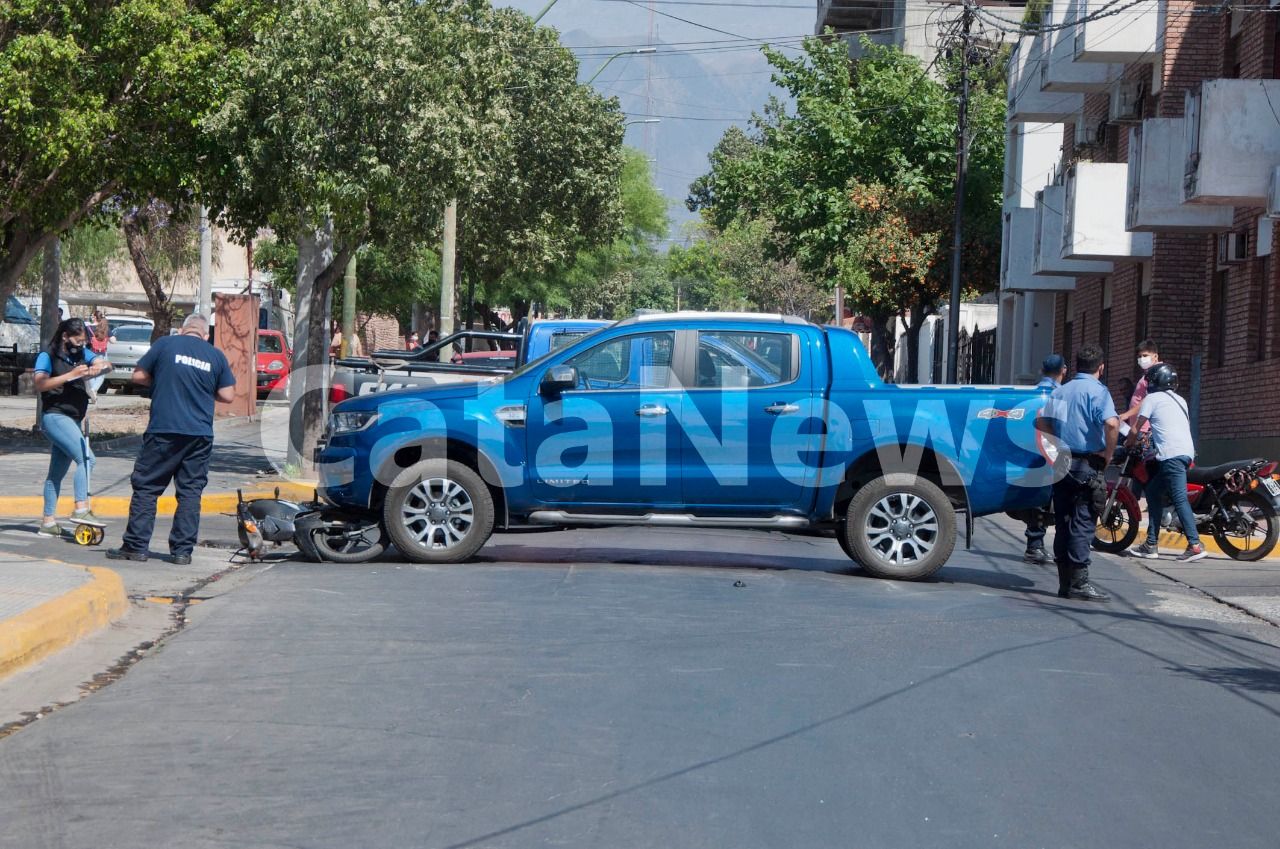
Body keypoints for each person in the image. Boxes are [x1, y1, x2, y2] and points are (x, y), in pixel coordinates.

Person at [107, 314, 235, 564]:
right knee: (190, 492)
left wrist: (163, 380)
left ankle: (135, 546)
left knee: (147, 487)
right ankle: (182, 552)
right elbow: (228, 395)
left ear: (182, 329)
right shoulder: (215, 355)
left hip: (164, 430)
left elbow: (138, 376)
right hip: (199, 434)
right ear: (204, 334)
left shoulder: (165, 344)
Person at [1036, 344, 1119, 601]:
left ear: (1075, 366)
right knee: (1083, 522)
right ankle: (1080, 582)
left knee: (1063, 521)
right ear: (1101, 368)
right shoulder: (1098, 392)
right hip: (1087, 463)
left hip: (1062, 461)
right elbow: (1112, 423)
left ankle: (1064, 582)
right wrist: (1108, 454)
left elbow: (1041, 421)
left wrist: (1054, 448)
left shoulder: (1062, 391)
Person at [31, 318, 112, 535]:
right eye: (78, 340)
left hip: (74, 417)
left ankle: (48, 523)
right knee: (87, 459)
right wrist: (71, 375)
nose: (81, 345)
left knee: (56, 472)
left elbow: (106, 364)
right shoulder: (47, 356)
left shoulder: (81, 353)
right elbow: (39, 383)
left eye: (84, 341)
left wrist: (98, 368)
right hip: (55, 416)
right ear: (65, 336)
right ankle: (81, 508)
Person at [1124, 363, 1206, 562]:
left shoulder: (1152, 398)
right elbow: (1169, 425)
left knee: (1179, 498)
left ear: (1156, 381)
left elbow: (1137, 427)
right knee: (1152, 491)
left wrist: (1128, 443)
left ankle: (1194, 544)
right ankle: (1151, 543)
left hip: (1171, 455)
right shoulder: (1180, 400)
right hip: (1185, 453)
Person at [1020, 354, 1069, 564]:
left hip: (1032, 449)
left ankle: (1035, 543)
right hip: (1051, 451)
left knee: (1039, 499)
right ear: (1063, 370)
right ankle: (1036, 545)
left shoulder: (1034, 392)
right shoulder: (1060, 394)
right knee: (1049, 500)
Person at [87, 309, 110, 398]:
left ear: (95, 317)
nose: (91, 317)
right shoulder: (104, 328)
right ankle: (94, 389)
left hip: (90, 352)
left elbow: (84, 340)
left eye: (92, 315)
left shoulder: (88, 328)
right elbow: (113, 340)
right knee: (102, 371)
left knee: (92, 370)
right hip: (102, 352)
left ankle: (92, 390)